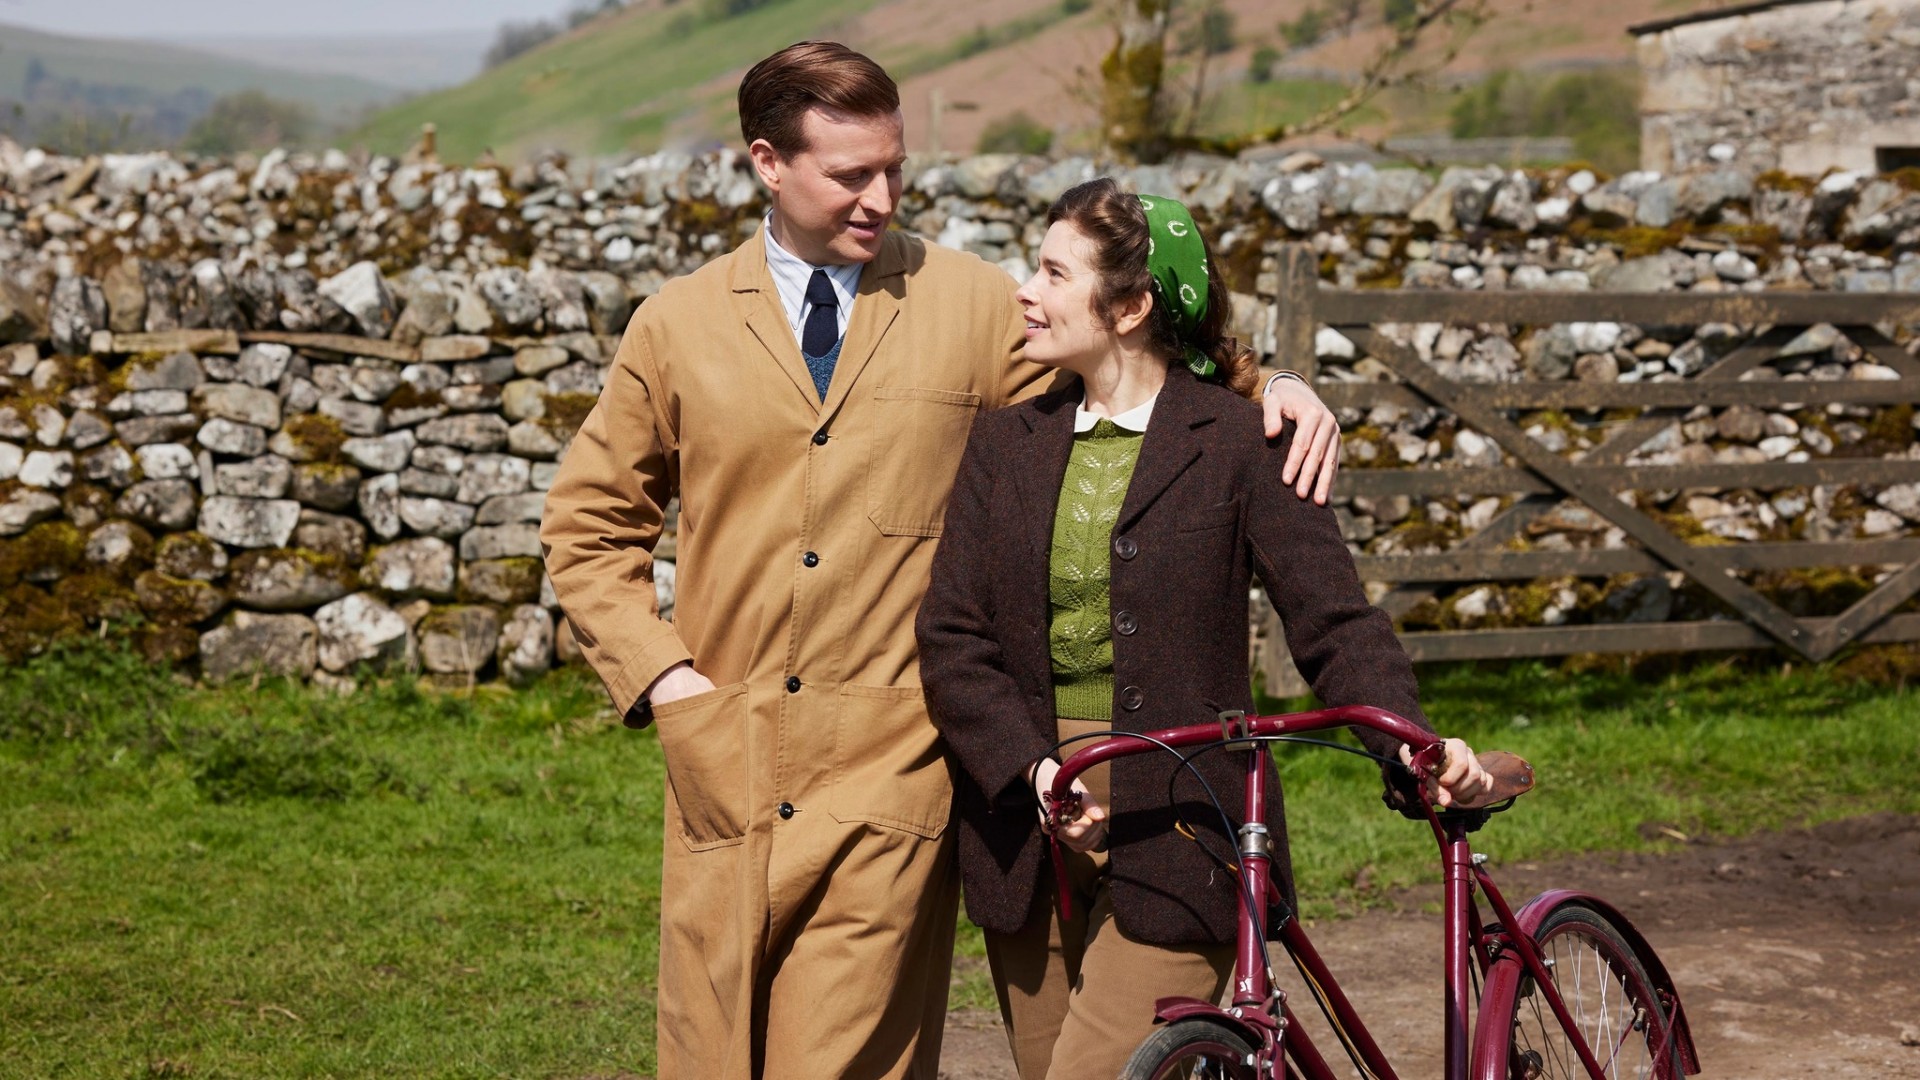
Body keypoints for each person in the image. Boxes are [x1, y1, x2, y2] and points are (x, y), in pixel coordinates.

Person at [540, 43, 1345, 1079]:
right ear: (767, 164)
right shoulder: (676, 325)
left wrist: (1273, 384)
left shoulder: (971, 306)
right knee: (707, 1056)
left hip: (891, 773)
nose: (881, 199)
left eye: (895, 170)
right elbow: (587, 524)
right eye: (850, 175)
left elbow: (1132, 366)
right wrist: (666, 680)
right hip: (720, 759)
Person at [915, 178, 1492, 1080]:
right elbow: (954, 637)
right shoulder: (1002, 446)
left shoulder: (1242, 442)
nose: (1024, 291)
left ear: (1131, 307)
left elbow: (1335, 623)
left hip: (1186, 827)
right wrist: (1034, 771)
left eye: (1054, 273)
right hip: (1027, 831)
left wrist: (1411, 744)